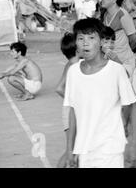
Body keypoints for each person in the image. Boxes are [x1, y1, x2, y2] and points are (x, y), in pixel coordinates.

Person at [63, 18, 136, 168]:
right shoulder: (73, 72)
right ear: (76, 44)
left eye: (91, 38)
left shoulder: (116, 70)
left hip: (110, 149)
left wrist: (135, 144)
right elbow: (73, 111)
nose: (85, 43)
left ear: (101, 42)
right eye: (80, 38)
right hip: (84, 149)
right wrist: (69, 149)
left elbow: (133, 105)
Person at [101, 0, 136, 78]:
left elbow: (134, 39)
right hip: (109, 61)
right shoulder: (104, 15)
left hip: (123, 63)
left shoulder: (123, 15)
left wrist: (124, 51)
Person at [55, 33, 80, 168]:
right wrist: (74, 102)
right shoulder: (75, 65)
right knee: (72, 149)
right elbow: (59, 88)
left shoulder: (71, 64)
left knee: (75, 148)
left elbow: (59, 88)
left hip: (70, 110)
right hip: (72, 112)